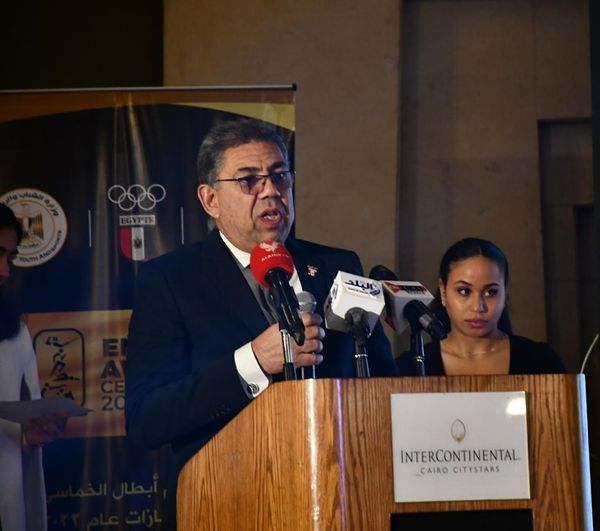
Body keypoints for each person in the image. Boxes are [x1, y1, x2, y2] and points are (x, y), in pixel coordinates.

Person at [125, 118, 397, 527]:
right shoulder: (171, 281)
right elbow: (147, 419)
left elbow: (383, 381)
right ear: (210, 200)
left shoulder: (338, 266)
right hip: (226, 502)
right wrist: (253, 361)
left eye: (279, 176)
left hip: (342, 498)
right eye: (249, 180)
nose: (271, 191)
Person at [397, 237, 566, 376]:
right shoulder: (412, 366)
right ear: (443, 291)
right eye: (464, 291)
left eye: (491, 292)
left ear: (505, 292)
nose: (478, 307)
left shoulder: (540, 361)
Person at [0, 203, 67, 531]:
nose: (4, 272)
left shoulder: (14, 334)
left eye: (10, 259)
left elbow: (14, 434)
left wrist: (31, 435)